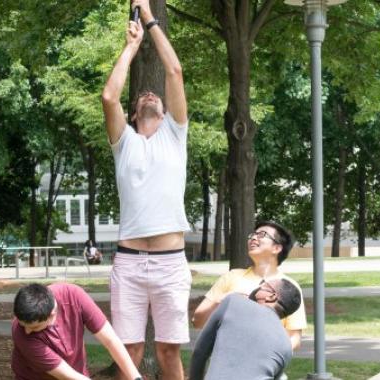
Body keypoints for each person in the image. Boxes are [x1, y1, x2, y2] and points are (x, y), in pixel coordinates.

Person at [101, 0, 191, 378]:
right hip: (130, 262)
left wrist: (150, 21)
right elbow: (109, 96)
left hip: (171, 263)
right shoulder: (124, 143)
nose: (150, 95)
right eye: (143, 97)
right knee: (130, 351)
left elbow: (174, 69)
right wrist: (131, 47)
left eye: (155, 96)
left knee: (169, 351)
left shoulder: (175, 134)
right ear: (135, 114)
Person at [192, 221, 307, 349]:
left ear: (277, 248)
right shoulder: (232, 277)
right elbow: (197, 322)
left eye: (262, 234)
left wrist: (269, 357)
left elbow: (294, 338)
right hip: (227, 360)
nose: (253, 237)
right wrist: (224, 299)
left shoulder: (289, 287)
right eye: (252, 235)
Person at [11, 283, 142, 380]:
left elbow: (111, 340)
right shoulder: (20, 332)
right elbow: (66, 375)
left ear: (52, 315)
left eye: (34, 328)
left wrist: (136, 378)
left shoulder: (73, 296)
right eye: (24, 325)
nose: (27, 331)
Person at [189, 279, 303, 380]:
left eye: (263, 284)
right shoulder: (286, 345)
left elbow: (199, 353)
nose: (258, 286)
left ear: (271, 296)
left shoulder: (233, 302)